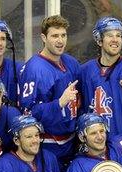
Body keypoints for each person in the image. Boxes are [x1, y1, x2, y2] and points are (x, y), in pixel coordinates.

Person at [18, 15, 80, 163]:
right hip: (48, 145)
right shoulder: (35, 69)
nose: (60, 40)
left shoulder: (70, 62)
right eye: (55, 36)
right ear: (44, 38)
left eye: (63, 35)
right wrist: (59, 103)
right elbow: (29, 112)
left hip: (71, 141)